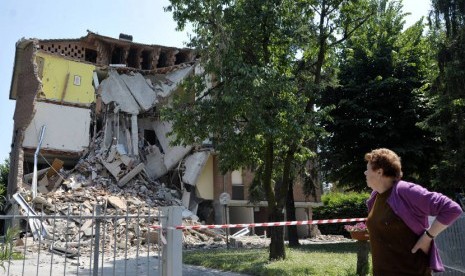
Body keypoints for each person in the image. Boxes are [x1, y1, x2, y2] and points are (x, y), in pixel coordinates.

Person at [364, 148, 463, 275]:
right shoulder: (375, 197)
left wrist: (428, 236)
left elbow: (452, 209)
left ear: (379, 172)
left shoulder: (405, 190)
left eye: (367, 169)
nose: (365, 173)